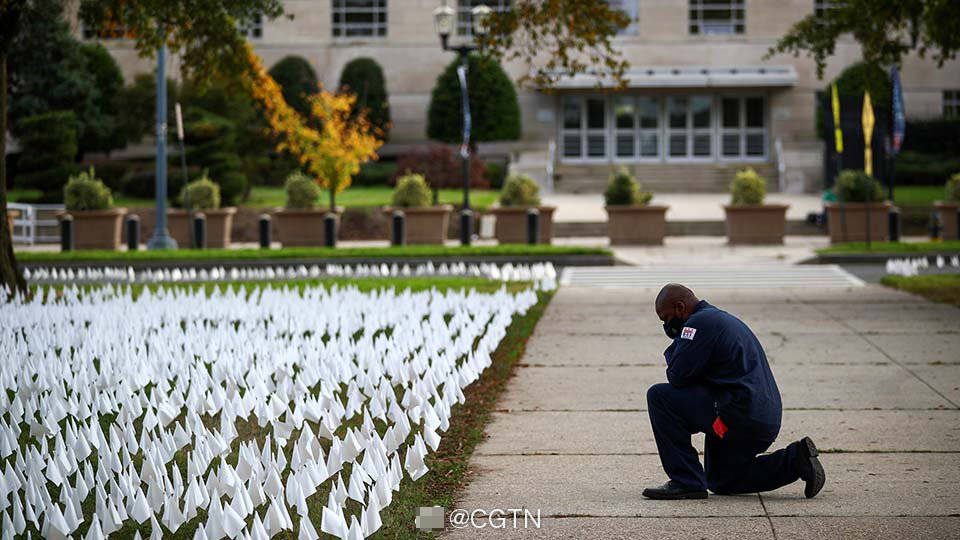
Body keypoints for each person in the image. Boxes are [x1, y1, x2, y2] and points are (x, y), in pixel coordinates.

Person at [642, 283, 826, 500]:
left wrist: (677, 349)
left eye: (666, 319)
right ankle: (796, 459)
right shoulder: (719, 319)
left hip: (736, 416)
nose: (666, 325)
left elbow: (677, 376)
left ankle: (686, 481)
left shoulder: (699, 323)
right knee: (723, 478)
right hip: (759, 420)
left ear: (680, 307)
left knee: (660, 397)